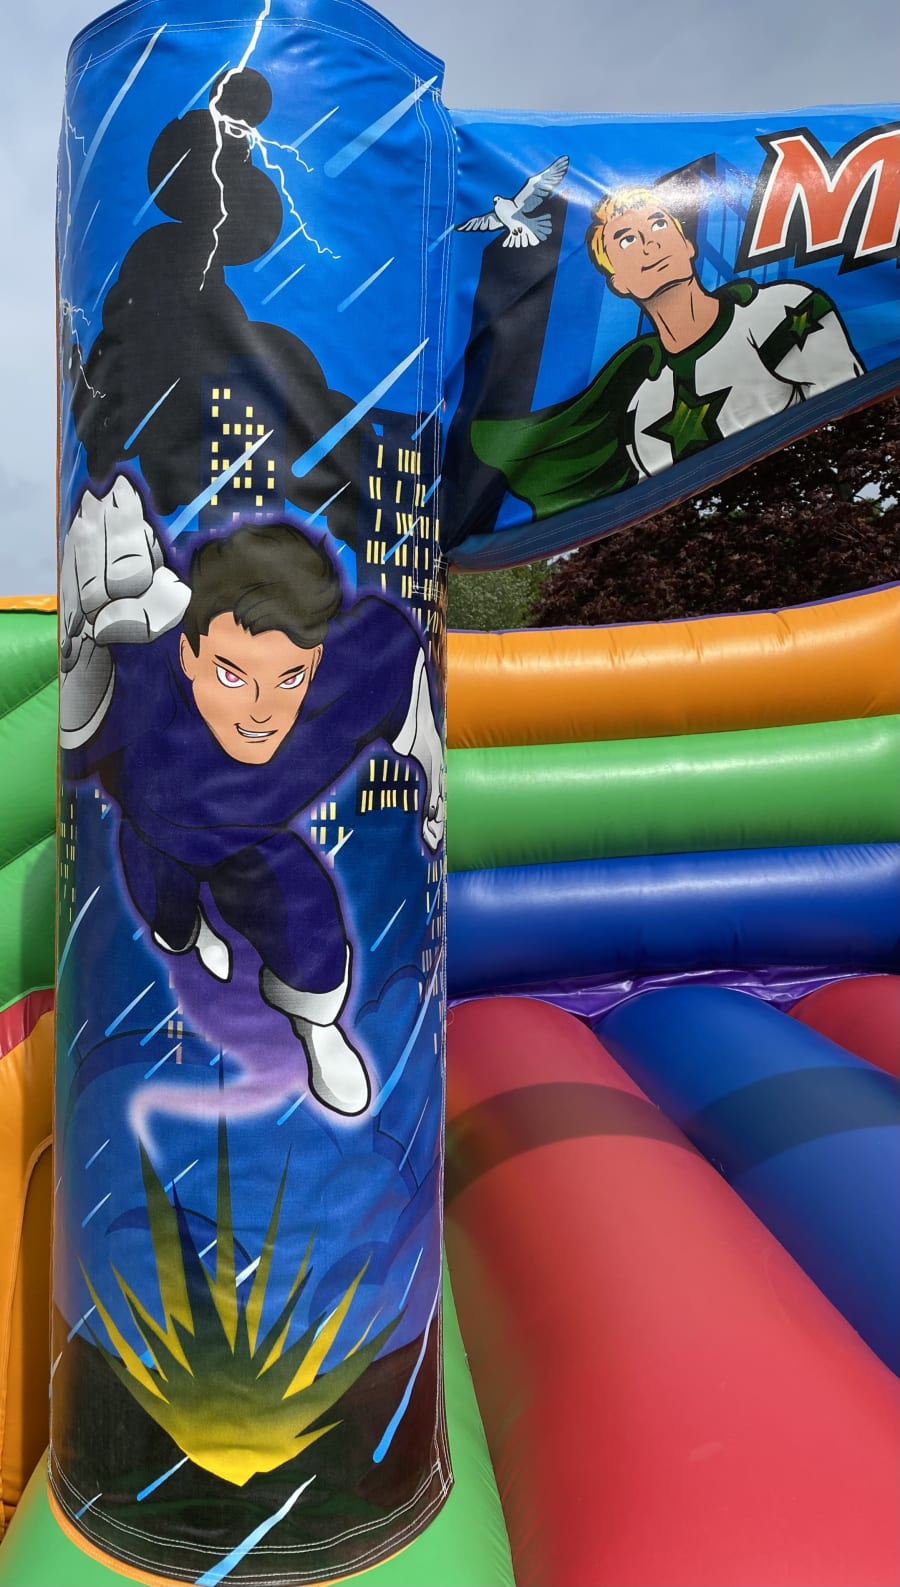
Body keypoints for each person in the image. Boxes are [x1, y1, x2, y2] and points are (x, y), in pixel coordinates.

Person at [59, 477, 445, 1117]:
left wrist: (433, 788)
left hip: (253, 840)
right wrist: (86, 653)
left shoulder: (347, 680)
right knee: (170, 924)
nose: (260, 711)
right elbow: (78, 728)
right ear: (188, 655)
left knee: (311, 928)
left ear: (314, 666)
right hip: (156, 836)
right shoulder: (141, 680)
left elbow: (404, 682)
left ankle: (317, 1027)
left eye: (287, 677)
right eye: (231, 675)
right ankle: (192, 933)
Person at [470, 185, 864, 519]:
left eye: (659, 224)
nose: (650, 242)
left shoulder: (780, 312)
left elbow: (847, 419)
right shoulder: (645, 405)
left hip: (822, 520)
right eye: (626, 239)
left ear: (687, 244)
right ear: (618, 282)